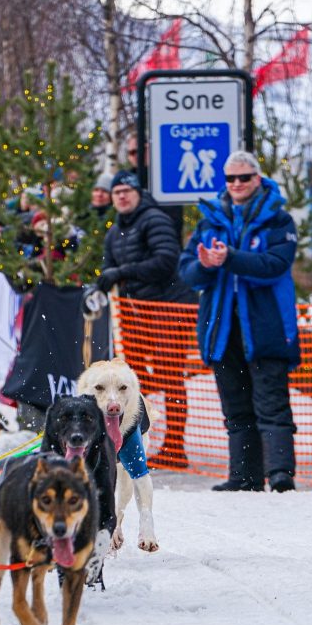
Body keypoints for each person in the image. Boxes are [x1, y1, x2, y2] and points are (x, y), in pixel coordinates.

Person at [179, 151, 300, 493]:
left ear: (257, 179)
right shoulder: (210, 221)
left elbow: (275, 264)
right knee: (235, 404)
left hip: (266, 326)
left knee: (272, 403)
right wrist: (206, 264)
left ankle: (280, 475)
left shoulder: (278, 220)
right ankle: (244, 476)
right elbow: (187, 270)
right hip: (221, 328)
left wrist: (230, 258)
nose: (236, 185)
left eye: (243, 178)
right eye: (230, 179)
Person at [96, 170, 195, 469]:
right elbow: (109, 267)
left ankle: (176, 447)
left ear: (139, 193)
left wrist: (123, 273)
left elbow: (166, 260)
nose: (122, 196)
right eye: (117, 192)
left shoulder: (154, 220)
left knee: (169, 375)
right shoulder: (115, 231)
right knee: (133, 376)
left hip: (170, 308)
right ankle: (131, 439)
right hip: (137, 313)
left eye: (128, 190)